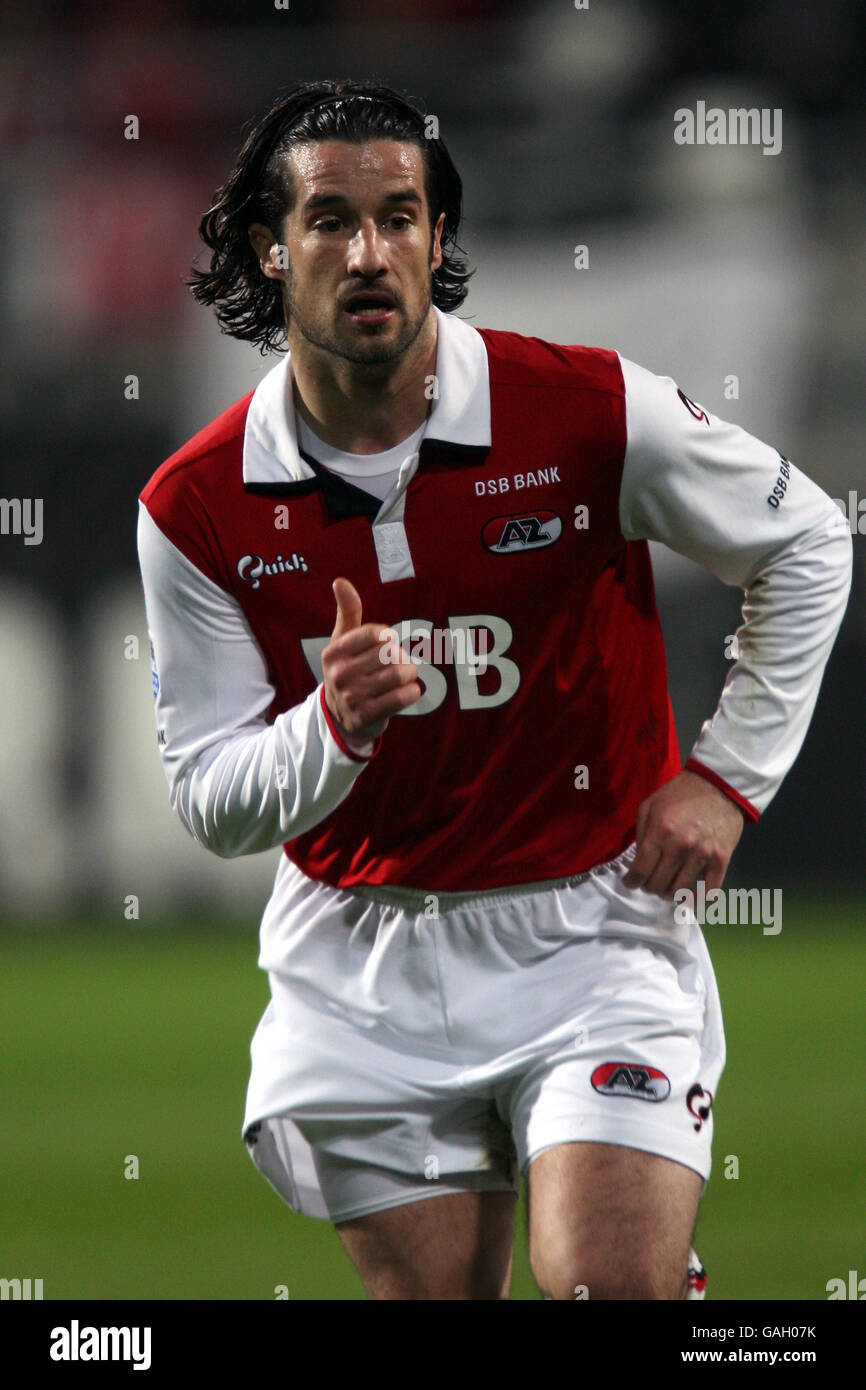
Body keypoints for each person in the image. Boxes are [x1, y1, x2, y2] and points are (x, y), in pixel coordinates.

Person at [136, 78, 852, 1300]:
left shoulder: (583, 412)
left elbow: (806, 541)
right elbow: (213, 800)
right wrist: (330, 727)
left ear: (437, 239)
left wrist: (727, 780)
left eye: (401, 215)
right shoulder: (196, 504)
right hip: (361, 963)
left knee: (607, 1286)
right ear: (270, 248)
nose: (369, 251)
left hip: (590, 934)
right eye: (328, 220)